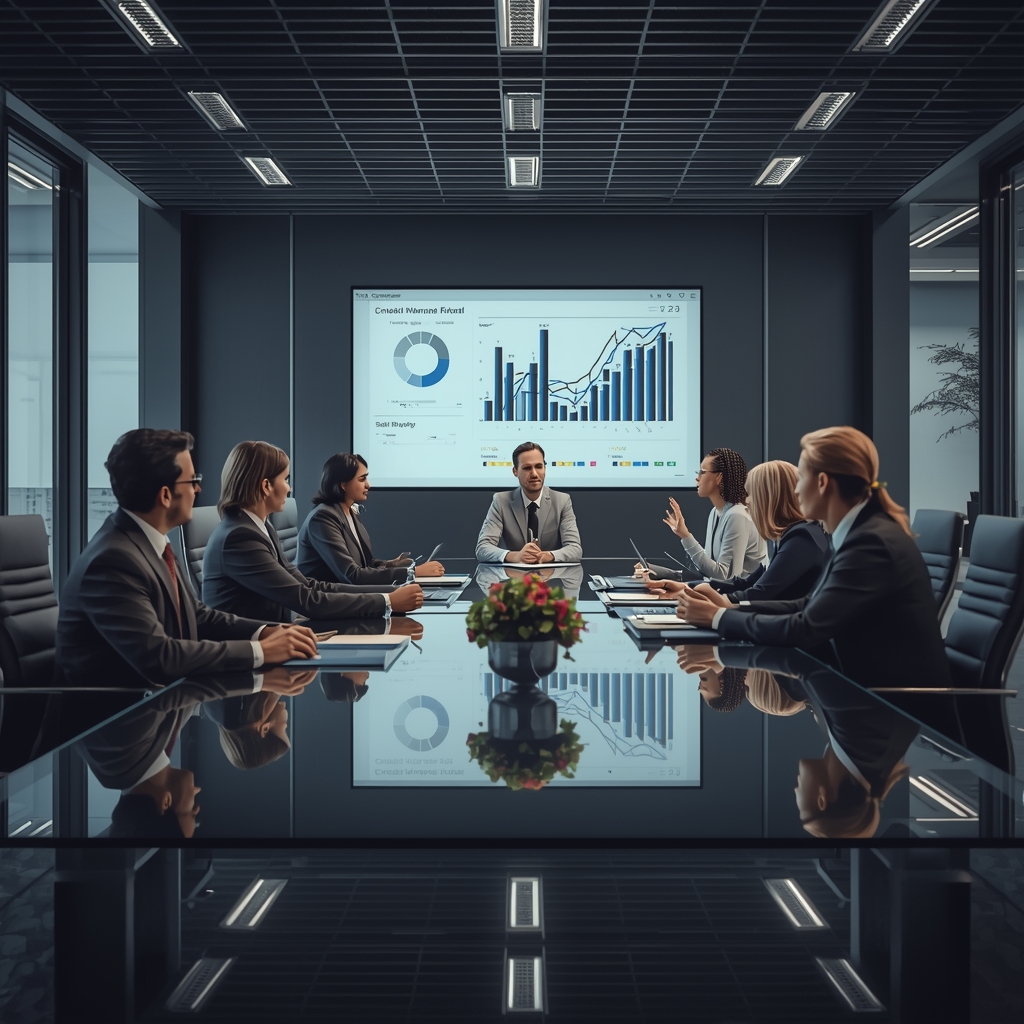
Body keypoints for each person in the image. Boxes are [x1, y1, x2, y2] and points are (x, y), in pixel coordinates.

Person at [678, 426, 953, 692]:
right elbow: (808, 605)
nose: (796, 491)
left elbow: (806, 628)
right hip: (861, 692)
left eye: (802, 479)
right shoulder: (856, 534)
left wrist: (719, 618)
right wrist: (729, 610)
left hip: (890, 710)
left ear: (822, 482)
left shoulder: (870, 545)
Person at [57, 429, 320, 689]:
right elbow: (160, 657)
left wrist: (265, 631)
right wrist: (259, 651)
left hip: (162, 710)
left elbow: (196, 615)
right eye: (192, 480)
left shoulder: (148, 543)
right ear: (165, 495)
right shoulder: (113, 561)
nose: (199, 488)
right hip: (114, 725)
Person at [202, 441, 424, 622]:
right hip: (252, 655)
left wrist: (391, 593)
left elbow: (310, 585)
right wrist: (387, 601)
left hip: (280, 635)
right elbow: (306, 599)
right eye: (285, 479)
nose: (289, 488)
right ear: (266, 485)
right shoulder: (240, 537)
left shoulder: (260, 527)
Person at [645, 460, 828, 604]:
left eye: (751, 494)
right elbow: (745, 583)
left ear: (770, 498)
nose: (747, 501)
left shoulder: (801, 538)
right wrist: (687, 587)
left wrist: (714, 602)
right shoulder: (784, 537)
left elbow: (760, 593)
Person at [296, 452, 444, 586]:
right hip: (328, 599)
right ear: (343, 485)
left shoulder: (350, 511)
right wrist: (413, 573)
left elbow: (364, 564)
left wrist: (393, 564)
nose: (368, 485)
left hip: (348, 592)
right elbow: (352, 575)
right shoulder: (323, 518)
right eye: (362, 479)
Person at [644, 448, 765, 582]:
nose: (697, 477)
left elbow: (725, 577)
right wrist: (659, 572)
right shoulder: (715, 513)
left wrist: (686, 536)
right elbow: (708, 570)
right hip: (721, 595)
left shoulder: (737, 516)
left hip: (739, 599)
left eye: (702, 472)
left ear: (719, 477)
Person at [475, 441, 583, 564]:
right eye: (527, 468)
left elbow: (575, 549)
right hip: (514, 580)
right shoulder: (500, 501)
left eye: (539, 466)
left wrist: (547, 556)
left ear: (545, 468)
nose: (534, 474)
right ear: (515, 471)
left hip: (552, 579)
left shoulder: (562, 501)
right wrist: (515, 556)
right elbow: (482, 548)